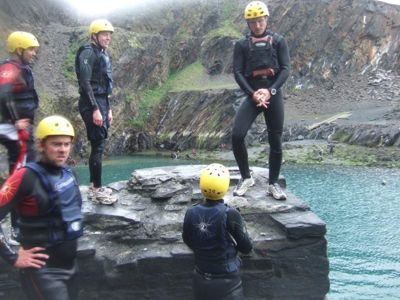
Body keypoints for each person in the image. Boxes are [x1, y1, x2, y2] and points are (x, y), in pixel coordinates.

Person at [0, 115, 83, 300]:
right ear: (41, 145)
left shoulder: (70, 175)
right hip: (43, 272)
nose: (62, 150)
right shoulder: (25, 177)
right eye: (56, 144)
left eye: (66, 144)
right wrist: (12, 257)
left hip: (71, 268)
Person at [231, 1, 290, 200]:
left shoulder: (279, 41)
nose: (258, 25)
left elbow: (285, 69)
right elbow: (238, 72)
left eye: (261, 20)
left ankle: (273, 184)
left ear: (266, 19)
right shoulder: (241, 45)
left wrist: (270, 91)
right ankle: (246, 177)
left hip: (273, 94)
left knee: (275, 139)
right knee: (237, 135)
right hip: (253, 94)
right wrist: (253, 93)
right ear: (248, 23)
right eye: (254, 22)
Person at [183, 163, 253, 300]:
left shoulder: (191, 212)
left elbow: (188, 239)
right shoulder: (230, 214)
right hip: (228, 282)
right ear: (225, 187)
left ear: (202, 185)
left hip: (201, 277)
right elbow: (246, 247)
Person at [0, 31, 41, 244]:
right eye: (31, 49)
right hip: (15, 132)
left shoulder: (22, 69)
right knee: (20, 177)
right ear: (19, 49)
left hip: (21, 132)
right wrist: (16, 120)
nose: (34, 53)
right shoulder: (9, 69)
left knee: (24, 174)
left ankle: (20, 224)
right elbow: (3, 94)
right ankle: (16, 227)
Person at [75, 19, 117, 205]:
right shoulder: (88, 52)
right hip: (91, 103)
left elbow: (103, 85)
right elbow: (85, 83)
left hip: (101, 103)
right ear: (94, 35)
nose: (108, 37)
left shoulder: (102, 53)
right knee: (98, 145)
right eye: (104, 34)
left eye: (109, 34)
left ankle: (95, 185)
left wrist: (107, 108)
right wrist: (95, 109)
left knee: (98, 145)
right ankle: (97, 190)